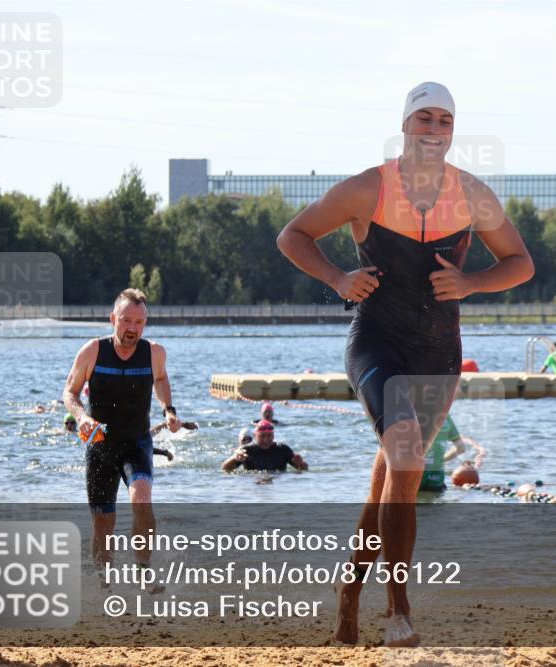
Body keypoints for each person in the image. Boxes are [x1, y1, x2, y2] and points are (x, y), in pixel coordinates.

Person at [277, 81, 534, 646]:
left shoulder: (473, 195)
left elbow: (520, 263)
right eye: (424, 119)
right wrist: (339, 279)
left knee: (397, 479)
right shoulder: (369, 187)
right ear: (405, 126)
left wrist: (471, 281)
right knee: (406, 452)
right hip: (377, 344)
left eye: (444, 120)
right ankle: (399, 613)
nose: (434, 129)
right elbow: (293, 236)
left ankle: (348, 595)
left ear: (451, 131)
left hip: (438, 354)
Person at [62, 288, 181, 586]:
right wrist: (82, 417)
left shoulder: (154, 352)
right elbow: (70, 392)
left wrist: (169, 409)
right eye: (126, 320)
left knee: (142, 501)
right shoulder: (93, 351)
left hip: (137, 442)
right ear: (113, 319)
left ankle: (143, 570)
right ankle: (104, 583)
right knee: (103, 525)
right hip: (100, 444)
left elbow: (162, 378)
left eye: (139, 322)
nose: (132, 328)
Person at [221, 420, 307, 472]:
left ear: (273, 436)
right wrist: (234, 459)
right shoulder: (246, 450)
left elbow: (304, 468)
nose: (266, 440)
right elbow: (225, 468)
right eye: (262, 436)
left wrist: (300, 463)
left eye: (269, 436)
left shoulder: (283, 449)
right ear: (255, 436)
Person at [419, 414, 466, 492]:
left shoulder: (411, 413)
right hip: (437, 479)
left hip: (413, 477)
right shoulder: (446, 416)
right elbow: (461, 448)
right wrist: (439, 460)